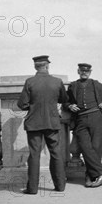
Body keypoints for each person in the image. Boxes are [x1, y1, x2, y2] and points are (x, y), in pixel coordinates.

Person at [17, 55, 69, 194]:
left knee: (34, 155)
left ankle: (32, 188)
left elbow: (22, 104)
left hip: (34, 123)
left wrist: (33, 106)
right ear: (47, 66)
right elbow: (64, 99)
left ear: (35, 66)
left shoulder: (30, 82)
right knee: (56, 153)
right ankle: (60, 186)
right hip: (52, 122)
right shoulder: (57, 81)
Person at [65, 63, 102, 188]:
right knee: (85, 147)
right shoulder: (73, 86)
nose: (84, 73)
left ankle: (90, 176)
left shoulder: (97, 85)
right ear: (78, 71)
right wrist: (69, 105)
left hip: (97, 117)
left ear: (90, 72)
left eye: (87, 71)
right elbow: (66, 101)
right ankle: (101, 174)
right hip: (80, 119)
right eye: (82, 71)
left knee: (96, 147)